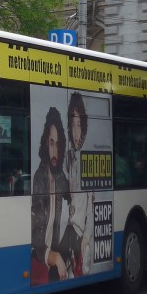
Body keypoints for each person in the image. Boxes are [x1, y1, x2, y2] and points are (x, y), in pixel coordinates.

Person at [31, 106, 72, 283]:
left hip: (54, 260)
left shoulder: (62, 179)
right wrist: (54, 257)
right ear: (45, 144)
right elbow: (36, 237)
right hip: (40, 259)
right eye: (51, 143)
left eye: (58, 144)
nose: (54, 151)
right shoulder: (39, 178)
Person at [63, 92, 92, 276]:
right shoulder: (67, 159)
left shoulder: (87, 161)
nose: (75, 131)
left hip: (80, 234)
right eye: (72, 124)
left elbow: (90, 210)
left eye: (79, 125)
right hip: (68, 231)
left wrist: (86, 238)